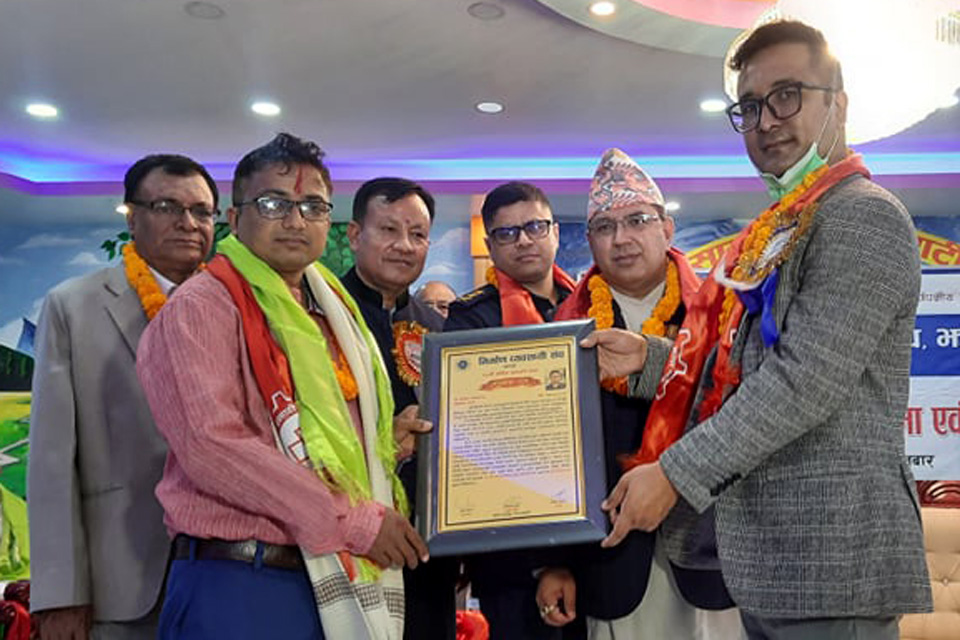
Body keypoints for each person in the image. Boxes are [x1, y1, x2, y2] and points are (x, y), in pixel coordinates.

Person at [588, 21, 932, 639]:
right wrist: (648, 359)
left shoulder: (862, 216)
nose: (766, 121)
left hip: (833, 559)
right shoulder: (783, 224)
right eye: (749, 106)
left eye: (786, 96)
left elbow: (804, 380)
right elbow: (740, 361)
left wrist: (674, 473)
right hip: (776, 560)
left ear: (839, 105)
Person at [136, 133, 427, 640]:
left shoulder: (330, 310)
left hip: (324, 574)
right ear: (234, 219)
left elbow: (320, 440)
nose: (295, 221)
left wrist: (383, 444)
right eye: (274, 204)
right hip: (241, 582)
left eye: (313, 206)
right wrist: (354, 521)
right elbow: (213, 447)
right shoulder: (202, 308)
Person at [538, 148, 738, 640]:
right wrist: (551, 562)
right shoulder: (562, 329)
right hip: (608, 558)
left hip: (710, 548)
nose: (621, 238)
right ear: (590, 241)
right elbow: (546, 457)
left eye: (637, 221)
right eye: (605, 227)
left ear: (667, 229)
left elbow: (747, 412)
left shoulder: (722, 313)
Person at [28, 154, 218, 639]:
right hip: (119, 578)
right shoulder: (74, 306)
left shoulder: (233, 309)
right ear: (132, 217)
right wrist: (62, 592)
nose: (188, 223)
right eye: (168, 207)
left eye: (201, 211)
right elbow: (51, 461)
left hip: (221, 571)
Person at [445, 181, 579, 640]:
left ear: (555, 232)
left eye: (534, 227)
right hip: (511, 550)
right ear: (490, 245)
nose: (523, 240)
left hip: (590, 544)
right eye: (507, 233)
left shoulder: (589, 307)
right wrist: (542, 562)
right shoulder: (470, 321)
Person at [341, 177, 457, 640]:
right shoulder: (321, 314)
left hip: (428, 546)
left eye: (418, 234)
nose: (404, 246)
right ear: (355, 235)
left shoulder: (439, 328)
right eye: (389, 230)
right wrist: (382, 439)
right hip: (349, 540)